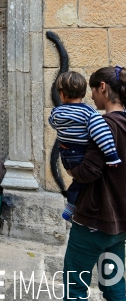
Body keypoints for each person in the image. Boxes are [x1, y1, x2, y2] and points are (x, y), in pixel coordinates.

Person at [63, 65, 126, 301]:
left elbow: (88, 172)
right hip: (119, 226)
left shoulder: (105, 125)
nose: (91, 96)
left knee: (75, 287)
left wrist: (70, 166)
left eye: (93, 90)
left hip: (94, 223)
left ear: (103, 88)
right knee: (114, 284)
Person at [49, 71, 121, 220]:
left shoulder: (56, 112)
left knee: (78, 181)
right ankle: (73, 204)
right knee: (83, 183)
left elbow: (52, 123)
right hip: (81, 154)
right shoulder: (88, 112)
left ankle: (71, 205)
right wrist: (112, 156)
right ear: (83, 93)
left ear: (61, 95)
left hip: (66, 157)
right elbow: (102, 135)